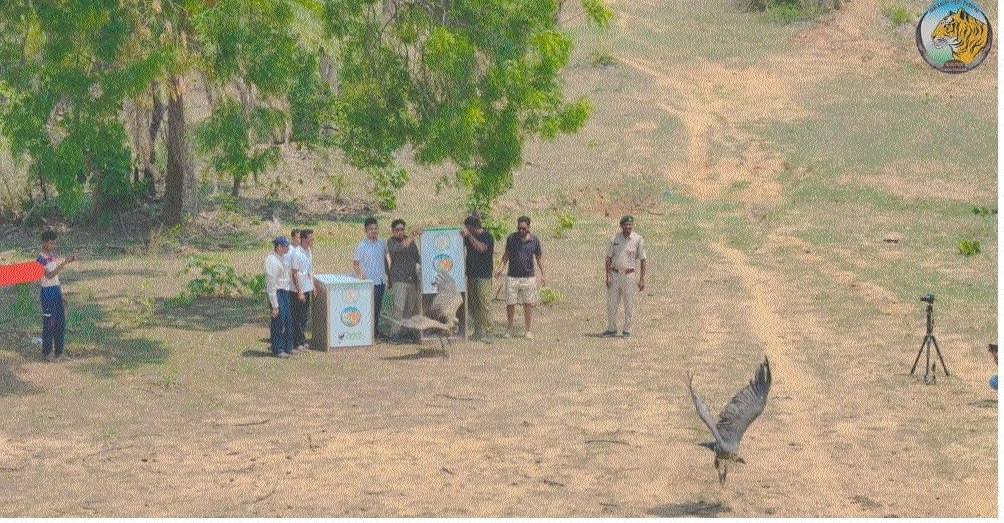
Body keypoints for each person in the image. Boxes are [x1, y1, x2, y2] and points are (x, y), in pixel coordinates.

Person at [495, 216, 545, 339]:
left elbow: (538, 258)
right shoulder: (511, 239)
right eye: (519, 228)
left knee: (528, 304)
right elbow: (506, 255)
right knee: (510, 304)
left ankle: (527, 330)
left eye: (523, 228)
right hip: (513, 277)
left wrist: (543, 274)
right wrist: (500, 267)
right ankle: (509, 329)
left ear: (528, 228)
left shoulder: (534, 240)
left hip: (528, 277)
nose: (521, 230)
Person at [602, 215, 647, 338]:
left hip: (629, 275)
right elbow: (608, 258)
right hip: (615, 274)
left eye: (630, 225)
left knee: (629, 304)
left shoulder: (638, 240)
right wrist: (607, 275)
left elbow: (643, 260)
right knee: (611, 304)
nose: (628, 227)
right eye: (626, 225)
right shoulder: (614, 239)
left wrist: (642, 279)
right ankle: (611, 328)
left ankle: (627, 329)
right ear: (621, 226)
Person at [37, 229, 76, 362]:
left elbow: (56, 277)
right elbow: (49, 275)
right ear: (45, 243)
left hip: (56, 290)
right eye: (51, 243)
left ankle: (59, 352)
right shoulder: (40, 258)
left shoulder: (52, 256)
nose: (53, 246)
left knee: (60, 322)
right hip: (47, 292)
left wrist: (61, 292)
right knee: (49, 323)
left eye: (54, 243)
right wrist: (65, 263)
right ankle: (47, 353)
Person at [386, 219, 422, 344]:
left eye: (402, 229)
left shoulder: (411, 242)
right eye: (397, 230)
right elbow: (400, 248)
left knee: (409, 309)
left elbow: (417, 258)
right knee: (399, 308)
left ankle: (405, 332)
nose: (400, 232)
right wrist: (413, 235)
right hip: (399, 279)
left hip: (411, 279)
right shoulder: (391, 242)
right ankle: (394, 334)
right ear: (393, 231)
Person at [354, 217, 388, 341]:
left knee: (377, 308)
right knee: (369, 308)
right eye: (370, 229)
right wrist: (361, 276)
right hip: (369, 282)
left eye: (375, 228)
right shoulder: (362, 245)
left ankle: (375, 331)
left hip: (380, 281)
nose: (373, 231)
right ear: (366, 230)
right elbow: (356, 264)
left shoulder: (382, 243)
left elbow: (386, 259)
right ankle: (368, 332)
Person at [462, 214, 495, 343]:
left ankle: (489, 332)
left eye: (467, 228)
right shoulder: (469, 237)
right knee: (473, 304)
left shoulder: (487, 236)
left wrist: (469, 236)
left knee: (484, 303)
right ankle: (478, 330)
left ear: (472, 227)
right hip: (471, 275)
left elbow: (481, 248)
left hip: (483, 276)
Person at [265, 236, 294, 358]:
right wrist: (274, 305)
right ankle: (277, 348)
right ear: (279, 247)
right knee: (278, 320)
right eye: (285, 247)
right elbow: (271, 284)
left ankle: (287, 346)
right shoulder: (271, 261)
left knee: (287, 319)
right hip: (277, 291)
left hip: (284, 291)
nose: (287, 249)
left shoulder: (282, 258)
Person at [290, 228, 314, 351]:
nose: (312, 240)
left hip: (307, 287)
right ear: (304, 239)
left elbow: (309, 271)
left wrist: (312, 286)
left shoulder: (309, 251)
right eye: (310, 238)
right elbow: (294, 273)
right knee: (298, 316)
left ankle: (302, 338)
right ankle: (296, 342)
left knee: (304, 316)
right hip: (297, 290)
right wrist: (299, 291)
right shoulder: (296, 252)